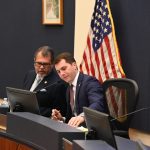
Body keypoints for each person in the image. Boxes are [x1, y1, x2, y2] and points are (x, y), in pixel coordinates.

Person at [51, 52, 107, 127]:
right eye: (58, 72)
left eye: (64, 69)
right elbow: (73, 115)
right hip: (78, 129)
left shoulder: (89, 82)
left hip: (95, 129)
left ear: (74, 65)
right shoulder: (69, 88)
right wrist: (62, 119)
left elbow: (97, 104)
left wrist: (83, 116)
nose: (62, 73)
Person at [23, 46, 67, 117]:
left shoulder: (58, 83)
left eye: (45, 64)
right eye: (39, 63)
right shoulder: (29, 74)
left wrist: (29, 109)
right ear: (34, 61)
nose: (41, 67)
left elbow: (58, 112)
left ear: (52, 64)